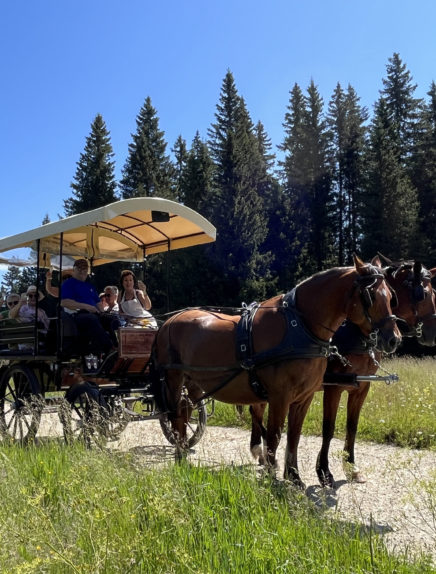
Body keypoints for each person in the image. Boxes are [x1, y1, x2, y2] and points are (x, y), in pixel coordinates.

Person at [60, 258, 118, 355]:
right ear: (74, 270)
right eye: (80, 269)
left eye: (85, 269)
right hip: (77, 315)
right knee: (91, 319)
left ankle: (119, 346)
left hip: (94, 314)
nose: (83, 271)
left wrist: (103, 312)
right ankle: (109, 349)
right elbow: (64, 302)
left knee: (113, 319)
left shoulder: (90, 286)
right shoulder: (68, 284)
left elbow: (98, 303)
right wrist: (86, 307)